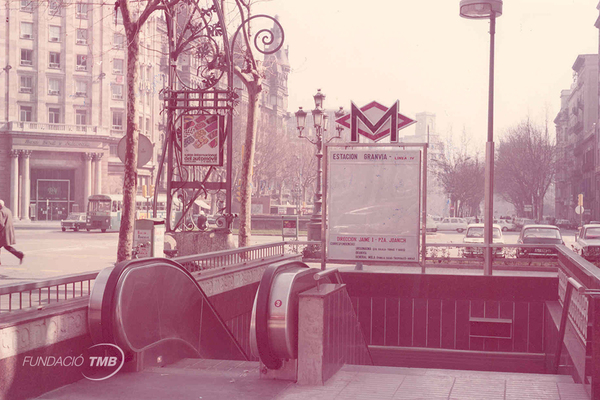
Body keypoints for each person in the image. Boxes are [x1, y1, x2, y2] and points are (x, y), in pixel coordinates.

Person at [0, 199, 24, 265]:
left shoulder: (1, 211)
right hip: (8, 232)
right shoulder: (8, 210)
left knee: (5, 246)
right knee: (6, 246)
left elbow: (1, 223)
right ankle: (19, 254)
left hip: (2, 233)